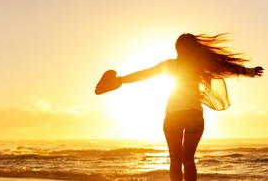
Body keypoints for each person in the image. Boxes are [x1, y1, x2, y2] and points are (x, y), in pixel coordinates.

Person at [104, 33, 264, 181]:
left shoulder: (170, 65)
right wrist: (250, 71)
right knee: (188, 159)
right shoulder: (199, 66)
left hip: (174, 115)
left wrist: (121, 80)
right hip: (194, 115)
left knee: (175, 160)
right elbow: (226, 68)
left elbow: (145, 74)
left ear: (177, 48)